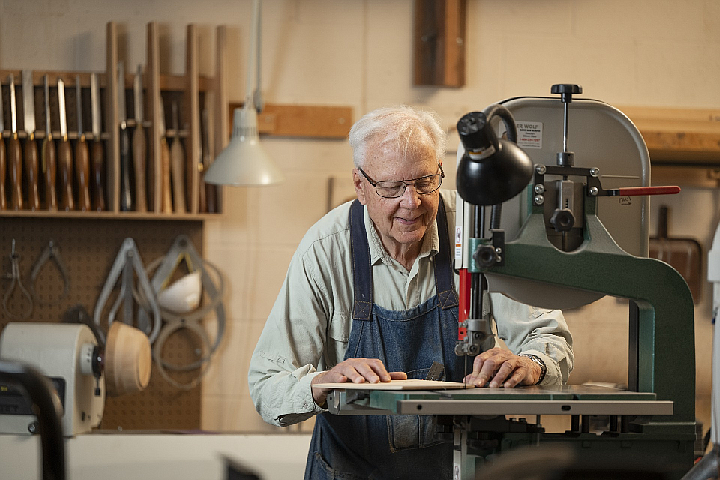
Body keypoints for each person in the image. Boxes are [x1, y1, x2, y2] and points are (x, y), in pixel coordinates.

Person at [248, 105, 573, 479]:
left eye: (424, 182)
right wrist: (322, 382)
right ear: (360, 186)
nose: (412, 202)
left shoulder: (479, 228)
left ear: (441, 172)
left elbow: (549, 336)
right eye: (392, 187)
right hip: (352, 471)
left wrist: (532, 364)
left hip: (464, 468)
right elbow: (267, 386)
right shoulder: (324, 249)